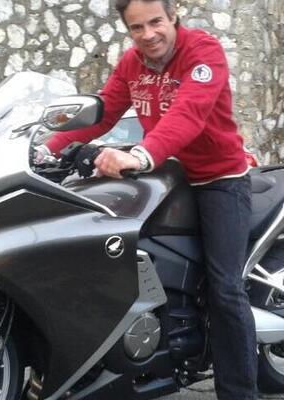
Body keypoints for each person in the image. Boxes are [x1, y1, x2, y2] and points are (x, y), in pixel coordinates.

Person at [41, 1, 258, 399]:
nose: (148, 34)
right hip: (166, 177)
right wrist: (45, 149)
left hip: (219, 179)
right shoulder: (132, 63)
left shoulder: (203, 51)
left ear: (173, 16)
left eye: (156, 22)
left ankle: (240, 392)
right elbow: (103, 114)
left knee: (225, 288)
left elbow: (188, 113)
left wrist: (141, 154)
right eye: (136, 28)